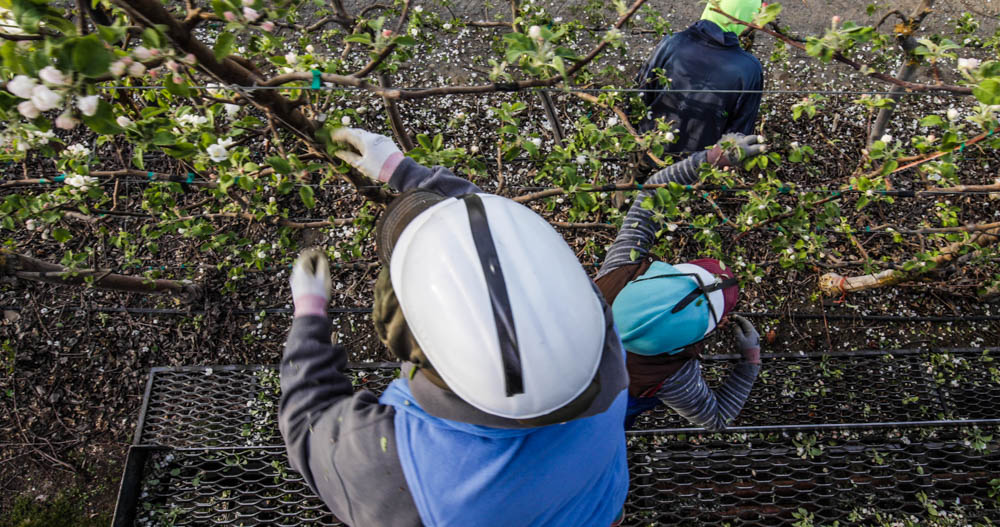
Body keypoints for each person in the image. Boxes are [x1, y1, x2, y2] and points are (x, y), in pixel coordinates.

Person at [279, 127, 630, 527]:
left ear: (401, 337)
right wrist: (402, 170)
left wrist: (309, 314)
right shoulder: (601, 346)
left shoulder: (393, 467)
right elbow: (503, 250)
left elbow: (308, 421)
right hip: (599, 508)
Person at [594, 133, 767, 431]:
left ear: (645, 280)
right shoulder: (673, 378)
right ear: (680, 348)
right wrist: (749, 364)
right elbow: (716, 418)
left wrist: (710, 159)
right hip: (598, 421)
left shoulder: (617, 273)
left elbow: (651, 193)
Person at [635, 0, 764, 155]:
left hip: (647, 147)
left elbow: (638, 96)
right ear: (747, 19)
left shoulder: (673, 43)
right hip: (698, 167)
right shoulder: (749, 68)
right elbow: (740, 133)